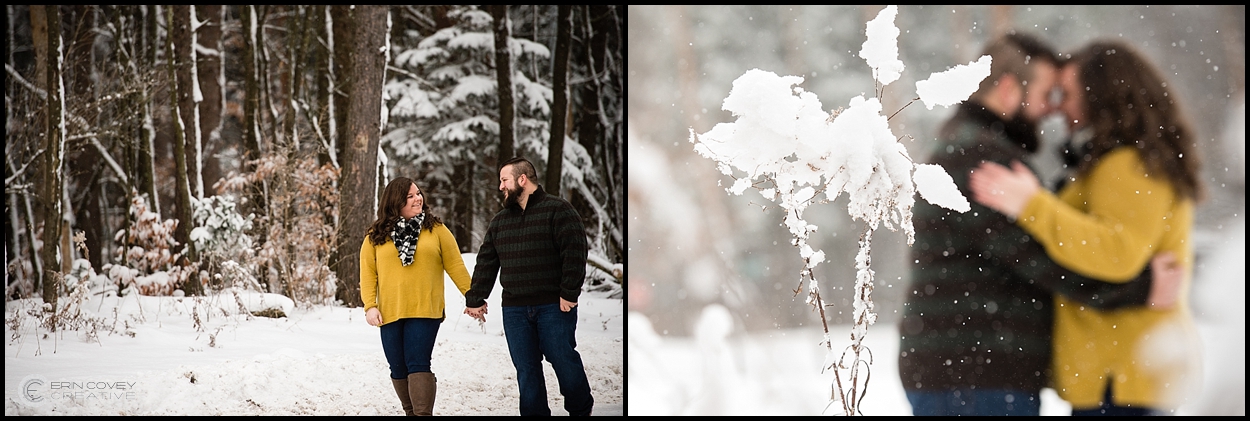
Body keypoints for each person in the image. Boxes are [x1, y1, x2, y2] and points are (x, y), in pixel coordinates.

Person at [898, 32, 1180, 416]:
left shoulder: (971, 146)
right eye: (1048, 93)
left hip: (971, 370)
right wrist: (1140, 288)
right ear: (1010, 89)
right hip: (974, 372)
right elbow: (1043, 260)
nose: (1052, 109)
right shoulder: (979, 158)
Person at [969, 39, 1203, 416]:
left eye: (1069, 94)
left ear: (1103, 96)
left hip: (1121, 374)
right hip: (1122, 372)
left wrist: (1032, 205)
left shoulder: (1127, 164)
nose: (1059, 106)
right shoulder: (1129, 160)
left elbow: (1115, 254)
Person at [464, 157, 594, 416]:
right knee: (527, 369)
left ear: (522, 179)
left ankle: (581, 409)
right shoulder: (500, 221)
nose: (500, 186)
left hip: (553, 306)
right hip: (515, 309)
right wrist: (475, 298)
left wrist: (569, 293)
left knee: (563, 360)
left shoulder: (558, 210)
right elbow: (487, 261)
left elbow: (575, 252)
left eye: (504, 180)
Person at [360, 177, 475, 416]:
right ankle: (410, 412)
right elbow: (368, 274)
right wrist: (370, 306)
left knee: (418, 363)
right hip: (390, 311)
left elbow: (455, 264)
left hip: (425, 308)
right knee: (397, 367)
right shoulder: (376, 235)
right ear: (395, 202)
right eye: (410, 196)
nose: (418, 198)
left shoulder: (436, 229)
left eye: (418, 193)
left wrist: (472, 296)